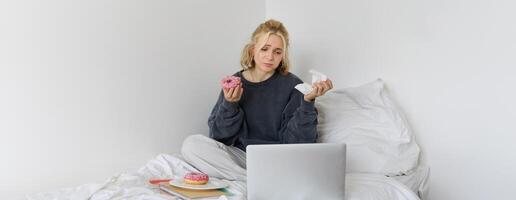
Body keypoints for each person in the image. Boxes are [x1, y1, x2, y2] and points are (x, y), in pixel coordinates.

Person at [181, 19, 333, 182]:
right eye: (265, 49)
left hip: (276, 159)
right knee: (191, 145)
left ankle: (260, 178)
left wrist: (308, 102)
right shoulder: (235, 82)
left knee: (305, 164)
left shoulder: (294, 85)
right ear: (253, 50)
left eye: (277, 52)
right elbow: (219, 137)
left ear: (283, 55)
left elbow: (299, 143)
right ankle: (256, 179)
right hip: (241, 157)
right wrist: (230, 104)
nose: (270, 57)